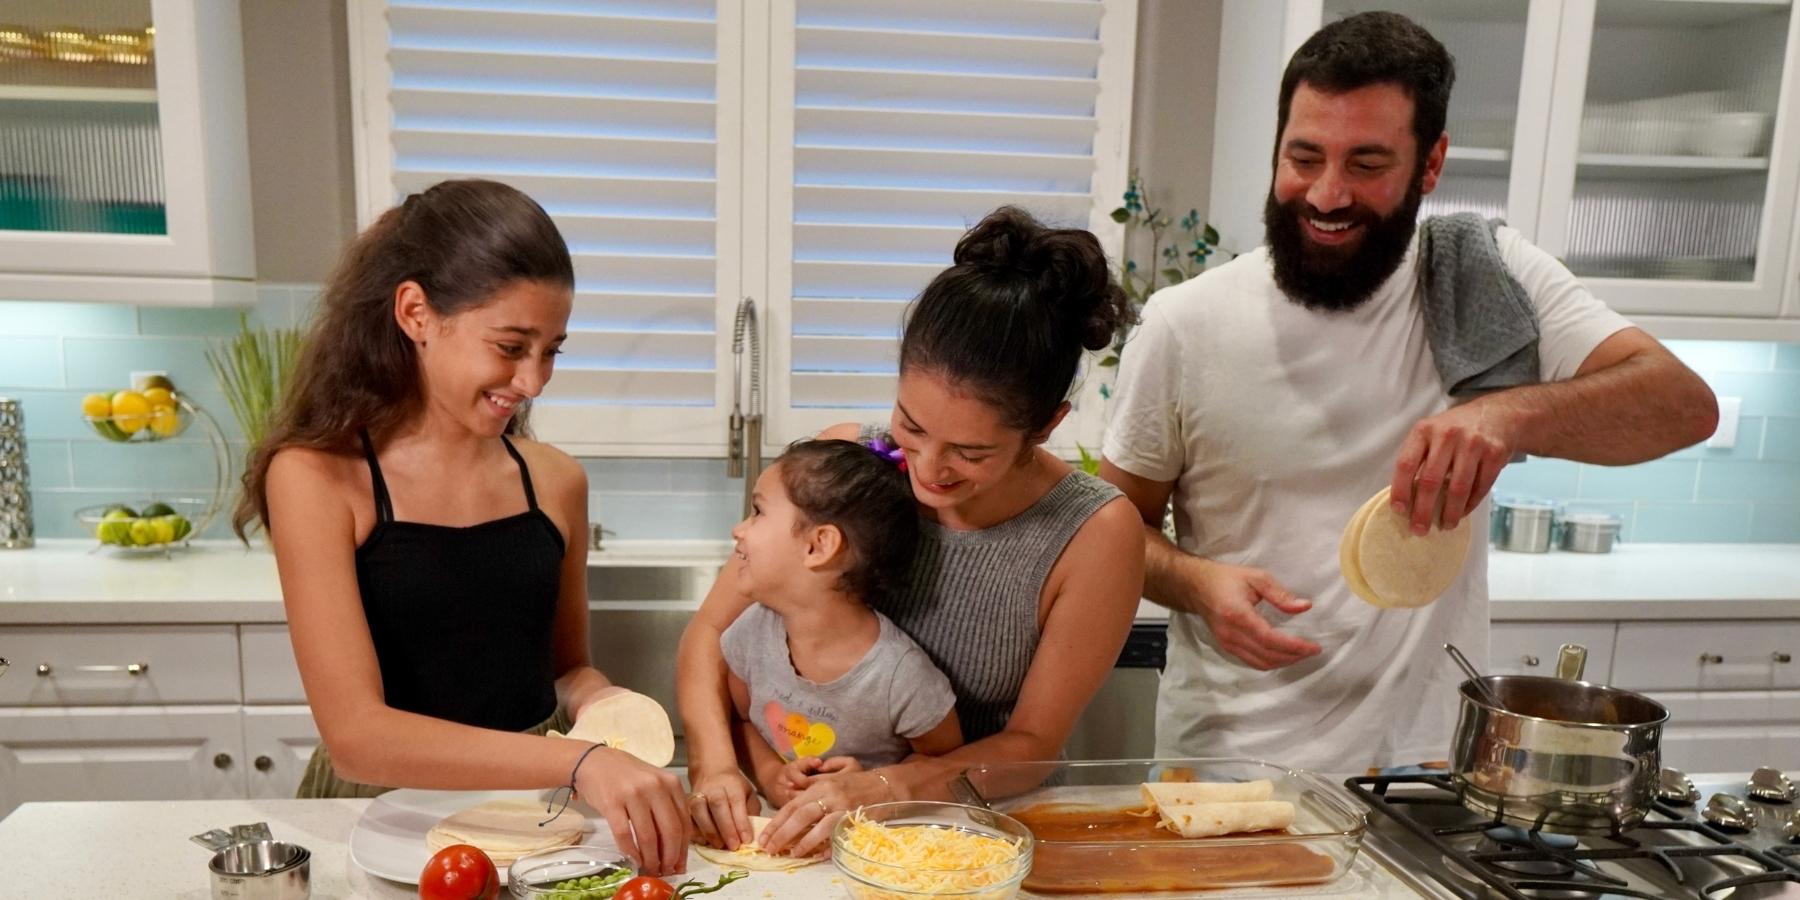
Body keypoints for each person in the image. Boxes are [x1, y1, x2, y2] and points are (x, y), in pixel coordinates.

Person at [1099, 12, 1718, 773]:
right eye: (1303, 157)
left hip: (1427, 770)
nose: (1326, 194)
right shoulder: (1185, 324)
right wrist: (1195, 583)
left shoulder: (1486, 280)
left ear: (1431, 165)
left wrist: (1504, 413)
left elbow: (1684, 406)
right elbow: (1110, 525)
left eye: (1366, 164)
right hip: (1231, 769)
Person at [236, 179, 692, 876]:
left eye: (553, 351)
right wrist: (581, 759)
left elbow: (563, 667)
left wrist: (598, 698)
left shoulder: (556, 481)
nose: (534, 381)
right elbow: (357, 737)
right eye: (511, 345)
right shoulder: (317, 477)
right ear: (416, 312)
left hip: (534, 811)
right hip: (379, 812)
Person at [677, 207, 1146, 858]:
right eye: (911, 425)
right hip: (807, 831)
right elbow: (708, 635)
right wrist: (714, 765)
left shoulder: (1095, 533)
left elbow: (1032, 747)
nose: (926, 469)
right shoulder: (849, 463)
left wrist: (886, 787)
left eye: (971, 453)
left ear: (1045, 425)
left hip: (976, 839)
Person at [721, 439, 962, 813]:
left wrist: (869, 785)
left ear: (818, 546)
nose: (739, 530)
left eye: (757, 511)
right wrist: (770, 776)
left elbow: (947, 767)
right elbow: (738, 720)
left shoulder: (903, 677)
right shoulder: (752, 631)